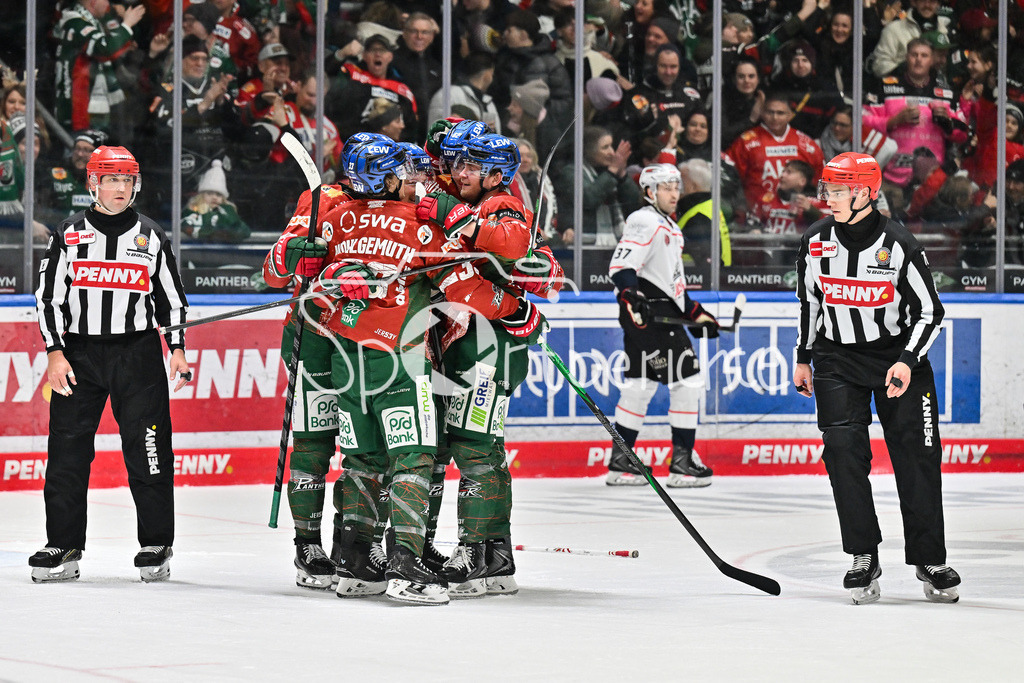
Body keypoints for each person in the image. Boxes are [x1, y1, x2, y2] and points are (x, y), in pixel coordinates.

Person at [316, 138, 525, 604]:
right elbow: (464, 288)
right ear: (386, 178)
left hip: (345, 362)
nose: (414, 181)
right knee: (414, 458)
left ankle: (354, 564)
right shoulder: (418, 225)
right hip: (400, 361)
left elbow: (298, 274)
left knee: (360, 461)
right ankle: (405, 566)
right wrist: (514, 305)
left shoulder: (334, 219)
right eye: (404, 175)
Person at [793, 151, 960, 605]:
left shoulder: (900, 243)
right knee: (843, 450)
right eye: (826, 188)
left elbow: (930, 311)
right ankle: (863, 554)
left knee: (917, 456)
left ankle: (929, 557)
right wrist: (803, 357)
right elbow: (810, 303)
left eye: (837, 190)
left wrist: (907, 359)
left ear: (864, 193)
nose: (826, 197)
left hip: (896, 359)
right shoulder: (815, 241)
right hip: (836, 359)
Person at [31, 145, 190, 583]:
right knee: (67, 451)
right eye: (111, 179)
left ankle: (155, 543)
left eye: (126, 180)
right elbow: (48, 298)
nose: (120, 188)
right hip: (78, 355)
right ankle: (63, 545)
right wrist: (55, 352)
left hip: (137, 355)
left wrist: (176, 347)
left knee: (149, 451)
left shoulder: (152, 235)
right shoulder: (68, 233)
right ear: (93, 183)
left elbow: (171, 299)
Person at [416, 132, 562, 597]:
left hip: (490, 348)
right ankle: (496, 559)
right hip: (460, 340)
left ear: (497, 175)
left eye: (470, 166)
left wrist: (453, 215)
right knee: (467, 443)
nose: (459, 172)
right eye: (457, 163)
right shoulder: (462, 196)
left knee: (476, 444)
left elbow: (515, 245)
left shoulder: (502, 203)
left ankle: (477, 555)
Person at [605, 163, 720, 487]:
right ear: (648, 192)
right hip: (650, 317)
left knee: (640, 384)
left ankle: (621, 461)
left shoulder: (666, 224)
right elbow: (622, 266)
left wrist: (696, 315)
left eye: (676, 186)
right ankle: (682, 462)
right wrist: (631, 296)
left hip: (652, 315)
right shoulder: (645, 219)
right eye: (666, 187)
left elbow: (669, 283)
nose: (674, 193)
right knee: (688, 382)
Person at [725, 92, 825, 224]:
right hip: (757, 219)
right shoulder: (746, 142)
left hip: (798, 221)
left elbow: (821, 185)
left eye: (780, 113)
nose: (774, 117)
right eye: (770, 112)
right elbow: (731, 181)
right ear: (762, 113)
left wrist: (814, 210)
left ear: (790, 115)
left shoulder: (807, 145)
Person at [53, 0, 146, 132]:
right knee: (78, 151)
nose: (108, 4)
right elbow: (104, 49)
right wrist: (127, 24)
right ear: (93, 2)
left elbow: (106, 50)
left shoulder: (94, 23)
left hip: (93, 110)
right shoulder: (75, 23)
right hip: (77, 110)